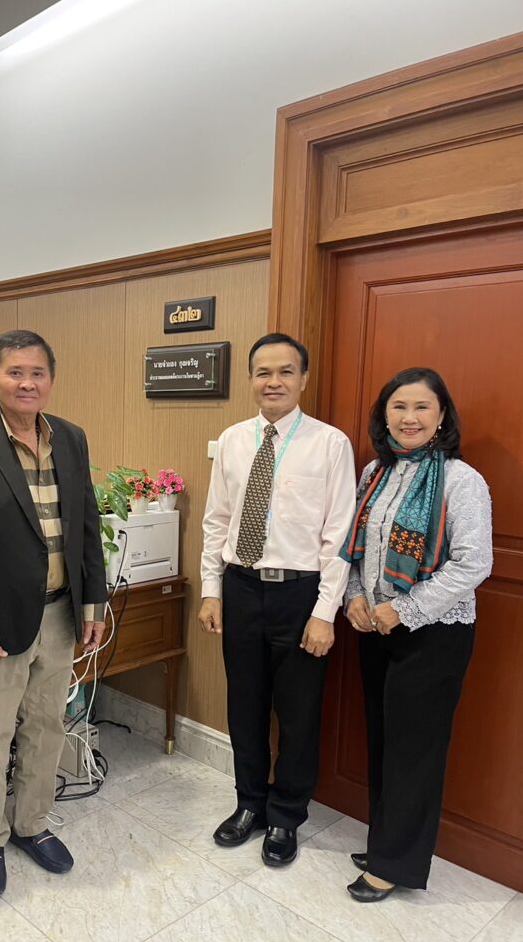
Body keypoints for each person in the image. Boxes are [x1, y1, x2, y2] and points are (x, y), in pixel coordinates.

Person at [0, 329, 106, 899]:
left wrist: (93, 601)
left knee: (47, 725)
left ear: (50, 378)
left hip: (59, 615)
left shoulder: (71, 438)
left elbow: (86, 524)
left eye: (37, 373)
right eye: (14, 372)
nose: (27, 383)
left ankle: (32, 824)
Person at [199, 332, 355, 866]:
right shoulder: (233, 439)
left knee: (298, 713)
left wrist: (324, 611)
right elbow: (217, 520)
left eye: (286, 371)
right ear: (250, 379)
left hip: (300, 593)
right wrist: (212, 590)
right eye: (263, 372)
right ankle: (249, 803)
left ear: (303, 379)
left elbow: (339, 536)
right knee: (244, 706)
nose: (274, 381)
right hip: (241, 586)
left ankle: (286, 815)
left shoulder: (330, 444)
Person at [340, 367, 492, 901]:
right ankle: (386, 842)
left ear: (442, 416)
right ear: (384, 415)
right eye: (398, 407)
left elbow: (474, 563)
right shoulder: (373, 473)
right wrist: (354, 596)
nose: (409, 418)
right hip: (374, 626)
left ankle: (394, 864)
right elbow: (356, 546)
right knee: (384, 740)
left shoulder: (461, 480)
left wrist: (405, 609)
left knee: (415, 750)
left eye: (422, 407)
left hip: (433, 634)